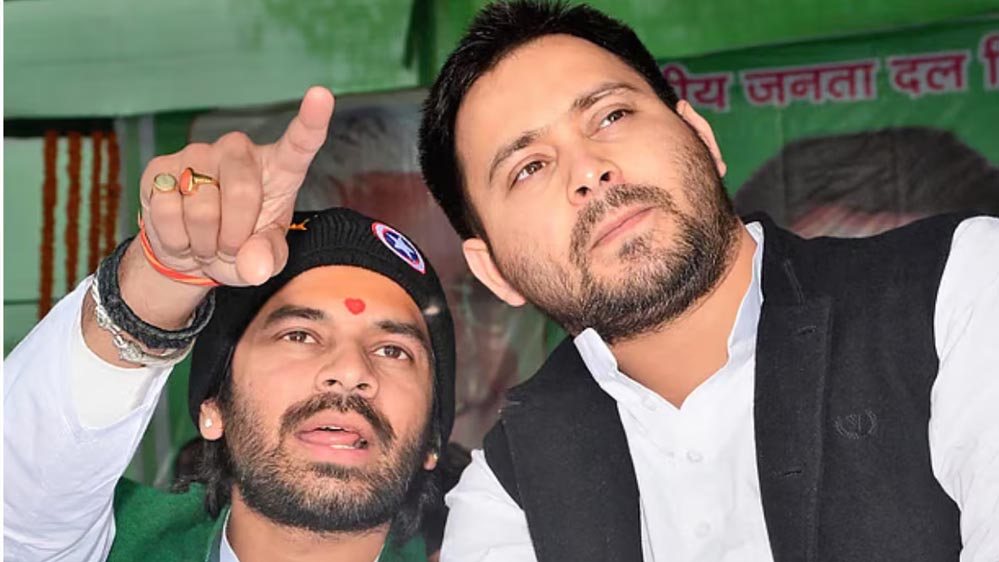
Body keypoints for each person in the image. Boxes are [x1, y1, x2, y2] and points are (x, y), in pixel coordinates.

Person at [416, 2, 999, 561]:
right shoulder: (507, 494)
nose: (589, 170)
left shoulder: (956, 287)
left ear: (702, 136)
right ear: (493, 270)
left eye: (612, 116)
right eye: (529, 168)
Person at [5, 87, 456, 562]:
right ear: (213, 407)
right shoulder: (113, 546)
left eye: (393, 350)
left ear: (432, 439)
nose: (350, 370)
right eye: (300, 335)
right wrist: (155, 284)